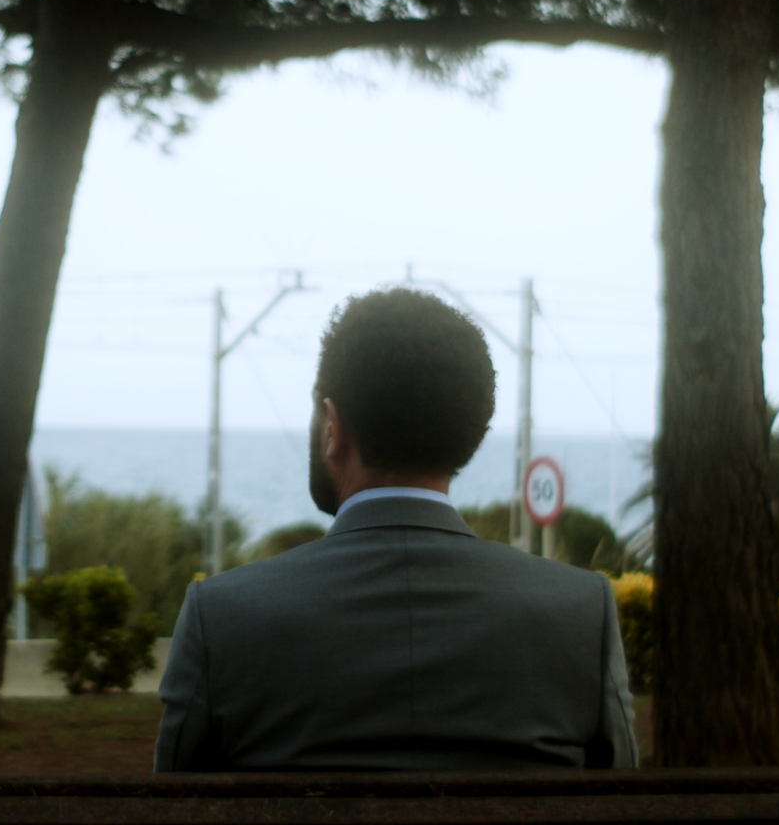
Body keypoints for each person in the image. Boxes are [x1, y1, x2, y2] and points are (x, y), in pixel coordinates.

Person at [154, 288, 638, 771]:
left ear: (332, 428)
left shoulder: (221, 619)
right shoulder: (581, 616)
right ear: (467, 435)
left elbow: (173, 800)